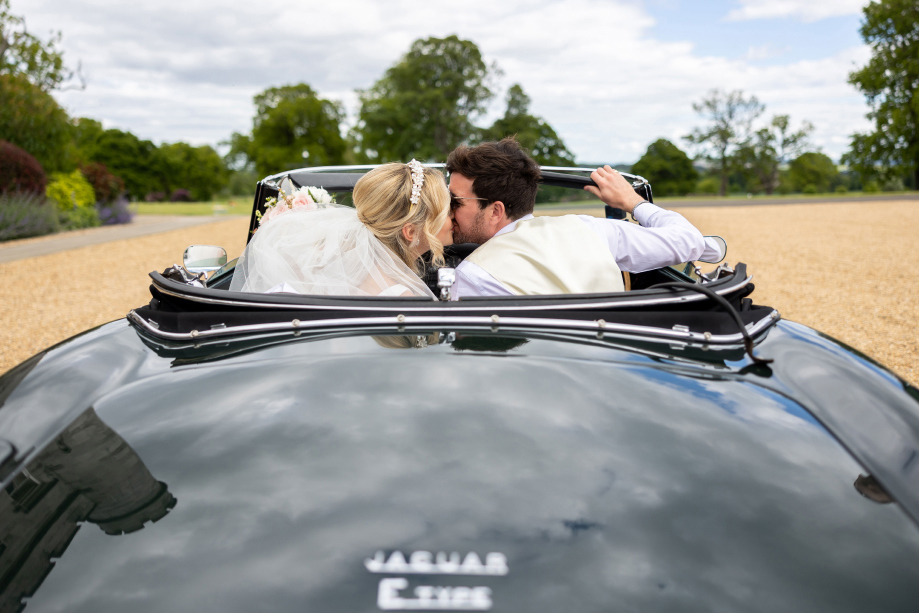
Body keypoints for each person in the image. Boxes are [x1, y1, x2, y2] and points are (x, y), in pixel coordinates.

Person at [445, 138, 719, 298]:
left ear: (495, 211)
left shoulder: (471, 276)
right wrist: (635, 203)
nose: (446, 210)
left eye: (454, 201)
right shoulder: (590, 229)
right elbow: (689, 241)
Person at [230, 161, 453, 297]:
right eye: (446, 211)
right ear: (410, 232)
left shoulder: (334, 275)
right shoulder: (405, 301)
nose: (453, 216)